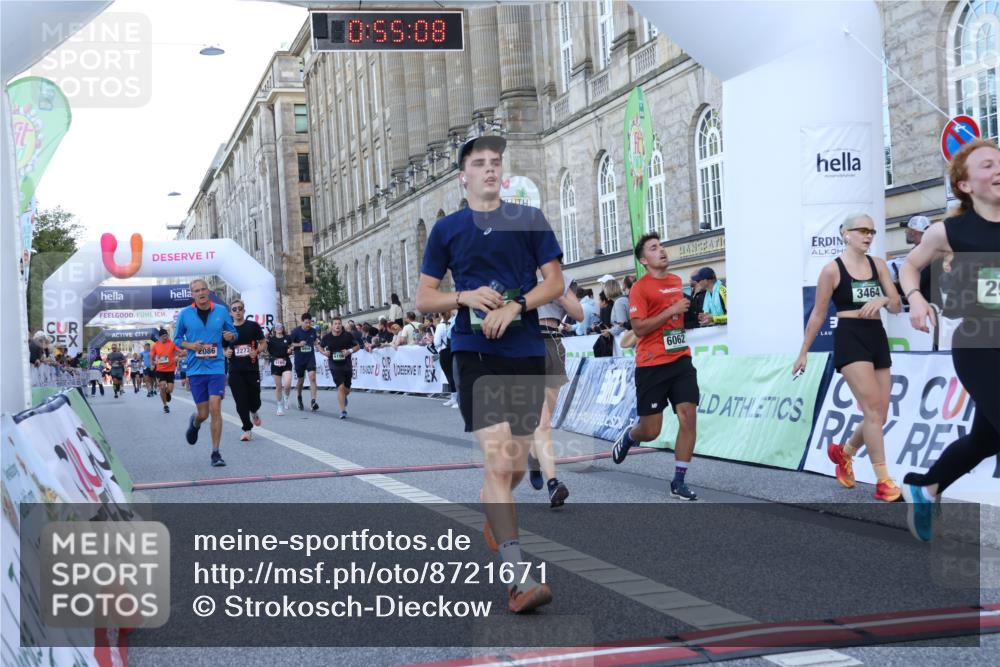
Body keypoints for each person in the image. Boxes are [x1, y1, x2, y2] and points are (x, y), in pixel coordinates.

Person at [416, 134, 564, 613]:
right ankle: (518, 580)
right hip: (474, 353)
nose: (490, 169)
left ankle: (494, 506)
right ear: (463, 177)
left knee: (514, 468)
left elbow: (555, 283)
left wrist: (517, 305)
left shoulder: (529, 219)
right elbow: (424, 298)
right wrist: (463, 297)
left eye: (496, 162)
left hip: (524, 351)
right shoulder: (448, 230)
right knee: (500, 463)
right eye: (479, 163)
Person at [899, 138, 1000, 541]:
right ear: (965, 184)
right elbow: (909, 266)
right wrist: (915, 298)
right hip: (980, 343)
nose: (998, 170)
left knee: (985, 440)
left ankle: (926, 487)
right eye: (987, 165)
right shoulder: (949, 231)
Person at [795, 213, 903, 501]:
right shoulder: (831, 270)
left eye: (872, 231)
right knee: (872, 410)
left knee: (880, 415)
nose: (868, 236)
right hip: (850, 337)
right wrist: (804, 352)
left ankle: (845, 452)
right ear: (846, 234)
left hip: (876, 336)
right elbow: (818, 314)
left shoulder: (878, 264)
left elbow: (896, 306)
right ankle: (883, 481)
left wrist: (883, 299)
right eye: (862, 230)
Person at [611, 232, 701, 501]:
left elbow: (678, 319)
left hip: (680, 358)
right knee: (651, 431)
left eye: (661, 246)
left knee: (688, 416)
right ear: (644, 260)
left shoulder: (675, 281)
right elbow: (639, 328)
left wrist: (694, 316)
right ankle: (631, 436)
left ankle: (678, 481)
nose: (661, 250)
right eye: (653, 248)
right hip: (651, 364)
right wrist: (671, 310)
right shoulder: (640, 288)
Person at [530, 268, 584, 507]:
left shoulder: (560, 278)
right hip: (524, 344)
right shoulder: (513, 271)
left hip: (552, 343)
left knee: (544, 421)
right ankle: (553, 483)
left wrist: (557, 291)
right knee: (539, 421)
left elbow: (579, 314)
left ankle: (534, 457)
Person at [174, 278, 237, 467]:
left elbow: (234, 333)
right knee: (204, 413)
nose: (201, 293)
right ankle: (195, 422)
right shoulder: (185, 314)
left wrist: (231, 336)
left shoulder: (221, 311)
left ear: (208, 291)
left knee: (215, 407)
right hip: (195, 369)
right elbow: (177, 339)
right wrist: (191, 345)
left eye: (203, 289)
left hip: (216, 367)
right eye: (197, 291)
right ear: (192, 294)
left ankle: (215, 453)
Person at [224, 299, 265, 441]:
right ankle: (247, 429)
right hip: (235, 370)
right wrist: (226, 352)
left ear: (244, 310)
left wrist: (257, 351)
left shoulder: (253, 326)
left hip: (251, 369)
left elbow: (263, 343)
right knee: (240, 402)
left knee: (255, 400)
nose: (237, 311)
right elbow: (223, 347)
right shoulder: (227, 331)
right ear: (231, 313)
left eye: (239, 308)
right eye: (234, 309)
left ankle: (254, 410)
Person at [319, 316, 359, 419]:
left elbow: (357, 346)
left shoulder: (348, 335)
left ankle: (344, 396)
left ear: (341, 325)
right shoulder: (327, 337)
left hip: (347, 365)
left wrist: (349, 351)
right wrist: (324, 352)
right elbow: (320, 346)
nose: (337, 325)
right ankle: (343, 411)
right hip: (334, 365)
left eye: (339, 323)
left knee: (347, 390)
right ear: (331, 326)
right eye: (335, 324)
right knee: (340, 387)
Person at [889, 215, 933, 304]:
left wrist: (889, 285)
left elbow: (915, 283)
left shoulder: (924, 252)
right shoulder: (929, 248)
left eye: (907, 229)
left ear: (914, 232)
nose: (905, 232)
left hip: (926, 306)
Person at [290, 312, 320, 411]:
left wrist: (321, 348)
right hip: (299, 359)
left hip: (310, 358)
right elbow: (289, 344)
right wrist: (299, 344)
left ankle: (313, 401)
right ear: (302, 322)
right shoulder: (295, 331)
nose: (308, 324)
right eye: (306, 322)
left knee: (312, 377)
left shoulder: (313, 331)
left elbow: (315, 342)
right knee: (301, 381)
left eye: (309, 322)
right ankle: (299, 397)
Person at [151, 329, 182, 413]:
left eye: (166, 335)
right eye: (164, 336)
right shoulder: (155, 346)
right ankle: (165, 405)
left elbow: (180, 351)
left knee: (170, 389)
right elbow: (152, 357)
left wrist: (179, 355)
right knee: (162, 386)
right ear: (160, 337)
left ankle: (167, 393)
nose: (166, 337)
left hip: (170, 370)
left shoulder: (171, 344)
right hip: (160, 370)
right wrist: (153, 363)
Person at [266, 322, 294, 415]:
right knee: (278, 387)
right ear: (274, 329)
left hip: (286, 362)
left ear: (283, 328)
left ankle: (286, 397)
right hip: (275, 363)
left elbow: (291, 346)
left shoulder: (287, 338)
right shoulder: (271, 339)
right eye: (277, 327)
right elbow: (266, 349)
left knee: (287, 384)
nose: (279, 328)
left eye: (280, 327)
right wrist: (265, 339)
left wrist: (290, 349)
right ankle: (279, 407)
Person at [436, 311, 459, 408]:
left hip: (444, 351)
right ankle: (455, 398)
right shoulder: (455, 321)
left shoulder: (440, 326)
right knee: (456, 374)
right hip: (455, 349)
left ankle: (456, 399)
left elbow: (436, 342)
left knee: (449, 375)